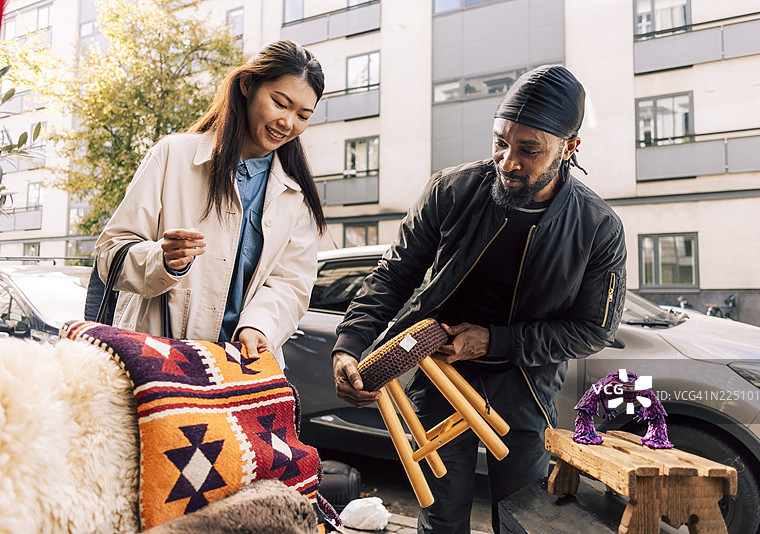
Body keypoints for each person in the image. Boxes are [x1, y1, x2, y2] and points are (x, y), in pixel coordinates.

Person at [331, 65, 627, 533]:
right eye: (500, 142)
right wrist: (350, 342)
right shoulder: (451, 190)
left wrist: (494, 341)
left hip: (525, 384)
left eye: (529, 150)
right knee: (441, 514)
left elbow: (595, 329)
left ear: (569, 148)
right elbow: (394, 274)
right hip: (438, 370)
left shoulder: (598, 226)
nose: (508, 161)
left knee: (521, 514)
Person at [95, 40, 325, 369]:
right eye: (279, 103)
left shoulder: (295, 195)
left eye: (303, 115)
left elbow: (291, 285)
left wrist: (259, 326)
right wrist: (163, 260)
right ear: (247, 86)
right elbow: (109, 254)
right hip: (152, 365)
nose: (289, 122)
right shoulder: (172, 155)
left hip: (239, 371)